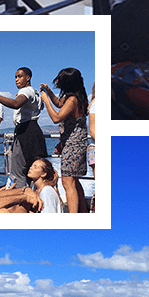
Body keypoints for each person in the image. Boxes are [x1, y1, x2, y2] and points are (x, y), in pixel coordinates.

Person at [40, 67, 88, 214]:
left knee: (67, 182)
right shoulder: (75, 97)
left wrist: (45, 100)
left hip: (73, 145)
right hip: (76, 143)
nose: (57, 80)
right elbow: (60, 104)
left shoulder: (72, 100)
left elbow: (56, 118)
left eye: (60, 78)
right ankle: (83, 211)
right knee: (74, 180)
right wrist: (49, 92)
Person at [0, 67, 46, 186]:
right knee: (35, 173)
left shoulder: (25, 91)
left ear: (28, 78)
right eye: (15, 77)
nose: (16, 79)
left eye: (19, 76)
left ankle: (21, 201)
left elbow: (16, 104)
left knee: (18, 172)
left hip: (25, 132)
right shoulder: (35, 93)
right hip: (35, 132)